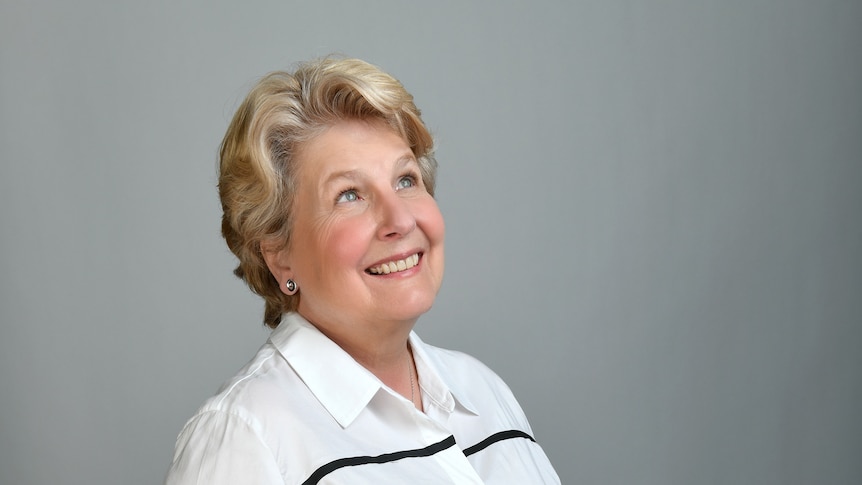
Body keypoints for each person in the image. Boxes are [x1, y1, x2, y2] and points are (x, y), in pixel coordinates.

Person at [165, 57, 560, 484]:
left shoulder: (483, 390)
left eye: (406, 180)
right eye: (349, 194)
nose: (400, 221)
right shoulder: (246, 436)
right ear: (279, 254)